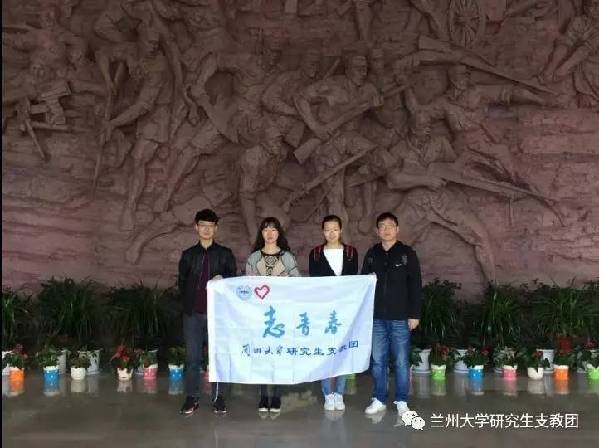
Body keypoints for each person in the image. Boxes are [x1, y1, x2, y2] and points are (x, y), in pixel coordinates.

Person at [360, 212, 422, 416]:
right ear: (377, 230)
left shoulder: (406, 254)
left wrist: (414, 314)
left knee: (401, 361)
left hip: (401, 317)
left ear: (397, 229)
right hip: (377, 317)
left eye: (390, 225)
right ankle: (379, 398)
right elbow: (363, 283)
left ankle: (402, 400)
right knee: (378, 361)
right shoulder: (372, 254)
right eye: (382, 226)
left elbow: (415, 285)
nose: (386, 229)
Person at [178, 209, 237, 415]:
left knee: (218, 357)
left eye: (210, 226)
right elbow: (182, 283)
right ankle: (191, 397)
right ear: (196, 227)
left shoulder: (225, 254)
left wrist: (224, 279)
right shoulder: (188, 255)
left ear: (216, 229)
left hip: (217, 316)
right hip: (193, 314)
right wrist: (188, 305)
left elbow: (233, 283)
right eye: (202, 225)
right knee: (192, 358)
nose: (206, 229)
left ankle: (218, 397)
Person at [245, 217, 301, 413]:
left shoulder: (288, 258)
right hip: (260, 315)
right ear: (261, 233)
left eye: (273, 229)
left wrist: (286, 281)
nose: (269, 233)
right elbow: (247, 287)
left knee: (280, 354)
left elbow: (298, 284)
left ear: (279, 233)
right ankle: (263, 395)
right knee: (262, 353)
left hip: (282, 314)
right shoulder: (253, 258)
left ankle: (276, 396)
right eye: (265, 229)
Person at [308, 215, 358, 411]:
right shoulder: (315, 253)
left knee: (343, 350)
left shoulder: (351, 252)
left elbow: (354, 282)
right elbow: (314, 283)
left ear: (341, 230)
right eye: (327, 229)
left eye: (335, 229)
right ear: (323, 231)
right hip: (323, 310)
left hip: (345, 310)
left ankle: (339, 393)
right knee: (325, 351)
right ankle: (328, 393)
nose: (331, 233)